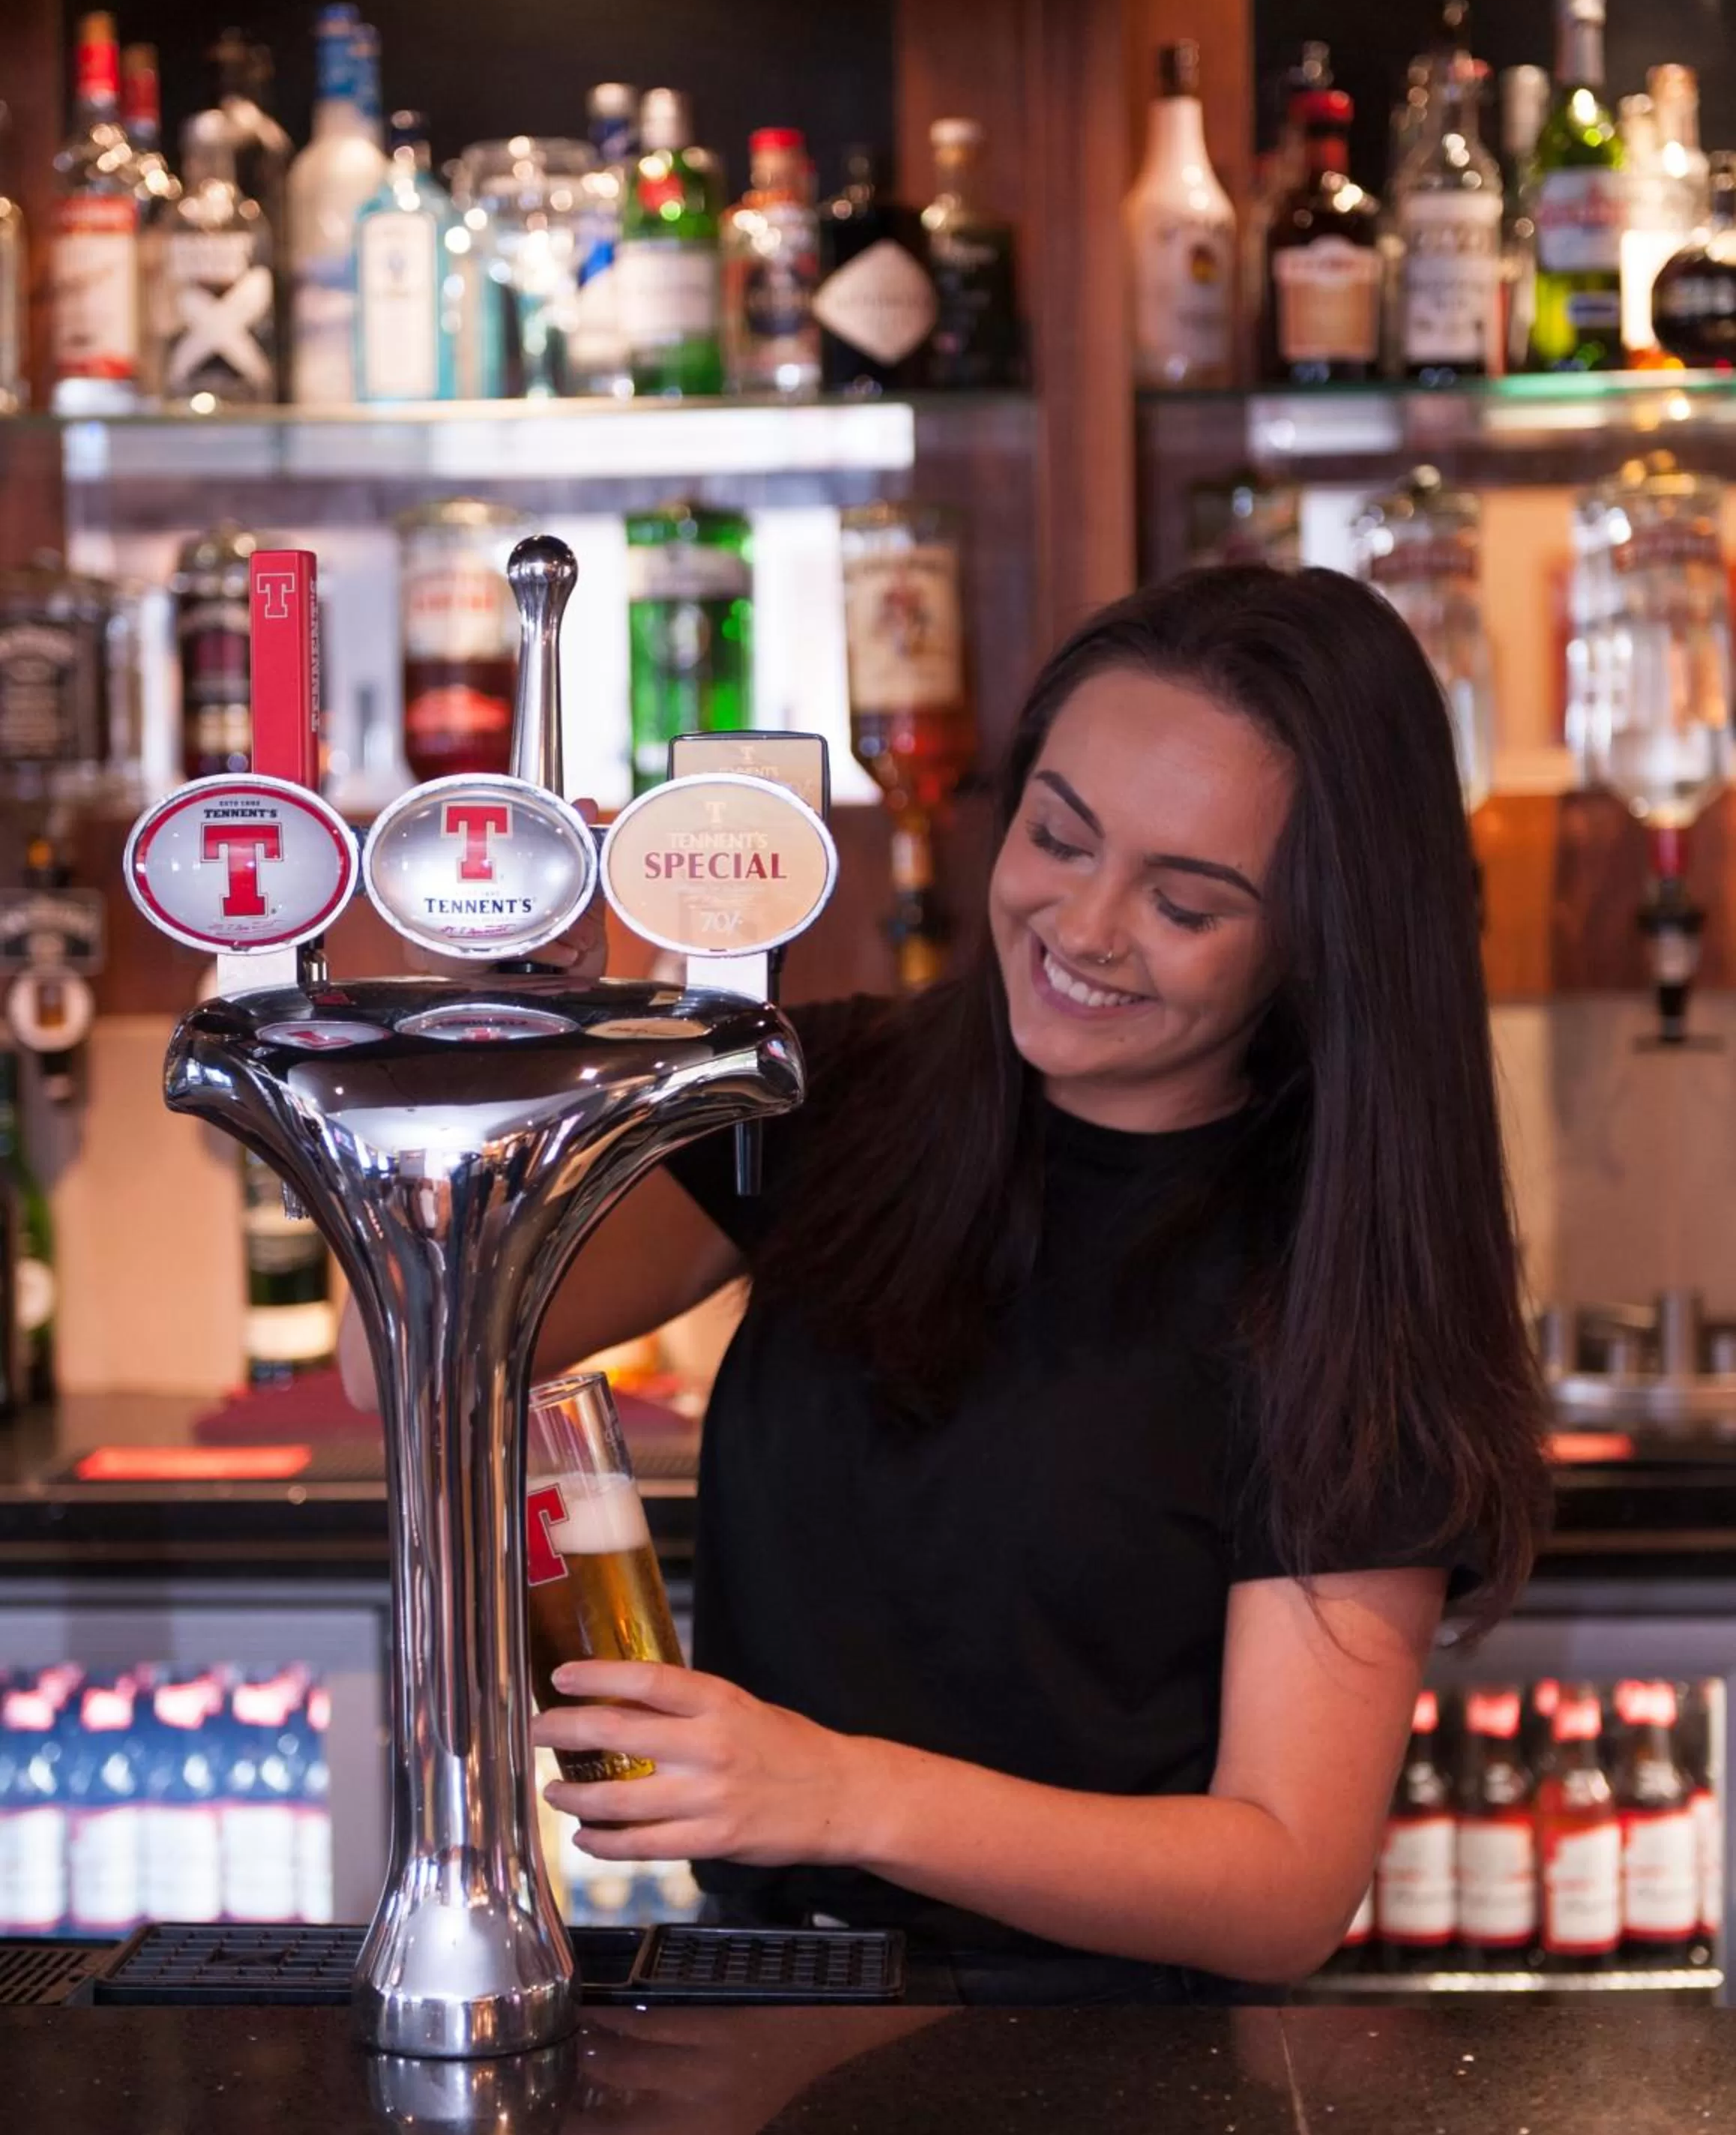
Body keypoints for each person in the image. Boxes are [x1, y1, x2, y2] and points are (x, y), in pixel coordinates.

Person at [343, 564, 1550, 2002]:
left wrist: (838, 1795)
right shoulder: (834, 1090)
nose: (1085, 927)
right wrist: (539, 1053)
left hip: (1120, 2076)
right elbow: (405, 1353)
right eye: (1059, 836)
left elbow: (1285, 1881)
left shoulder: (1347, 1268)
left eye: (1186, 903)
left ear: (1319, 937)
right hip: (769, 2021)